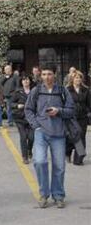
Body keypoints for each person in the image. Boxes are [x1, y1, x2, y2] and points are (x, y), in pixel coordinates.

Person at [25, 63, 75, 209]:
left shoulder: (62, 91)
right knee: (39, 161)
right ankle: (44, 194)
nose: (46, 77)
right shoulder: (36, 91)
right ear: (41, 76)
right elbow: (28, 110)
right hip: (41, 132)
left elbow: (71, 110)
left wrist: (58, 110)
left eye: (49, 74)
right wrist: (36, 125)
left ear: (55, 75)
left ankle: (58, 196)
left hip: (58, 133)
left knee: (59, 166)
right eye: (44, 74)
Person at [66, 71, 90, 165]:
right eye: (76, 78)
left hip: (83, 117)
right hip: (71, 117)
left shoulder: (86, 90)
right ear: (72, 79)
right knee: (72, 137)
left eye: (79, 78)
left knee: (81, 137)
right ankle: (68, 151)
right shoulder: (67, 90)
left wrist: (88, 112)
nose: (78, 79)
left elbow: (89, 103)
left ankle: (78, 159)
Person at [11, 75, 33, 164]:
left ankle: (29, 150)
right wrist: (17, 105)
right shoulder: (18, 92)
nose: (25, 81)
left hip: (31, 118)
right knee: (23, 137)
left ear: (30, 81)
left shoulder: (34, 91)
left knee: (32, 137)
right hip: (20, 117)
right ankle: (25, 157)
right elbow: (11, 103)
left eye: (27, 79)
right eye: (24, 80)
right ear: (21, 82)